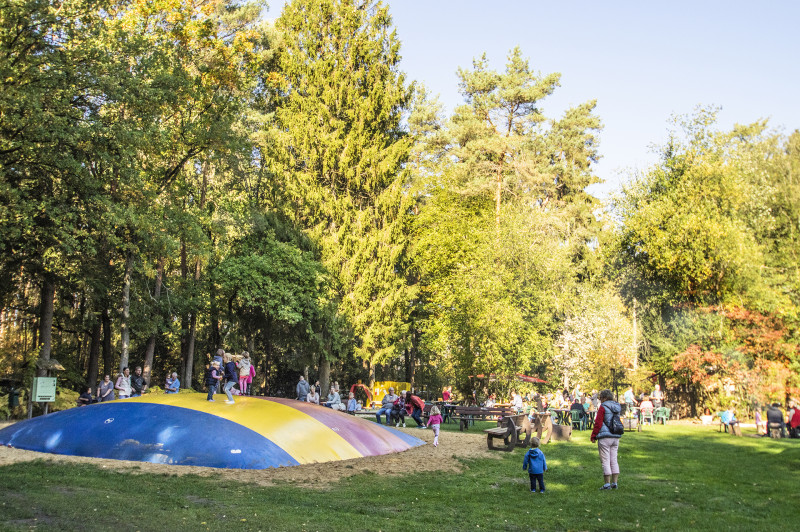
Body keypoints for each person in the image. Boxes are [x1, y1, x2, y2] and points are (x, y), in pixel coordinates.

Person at [590, 389, 622, 490]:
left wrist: (594, 435)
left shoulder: (603, 407)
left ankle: (607, 484)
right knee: (614, 459)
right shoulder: (617, 406)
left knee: (605, 460)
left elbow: (598, 422)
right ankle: (615, 483)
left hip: (605, 437)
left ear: (603, 398)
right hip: (615, 435)